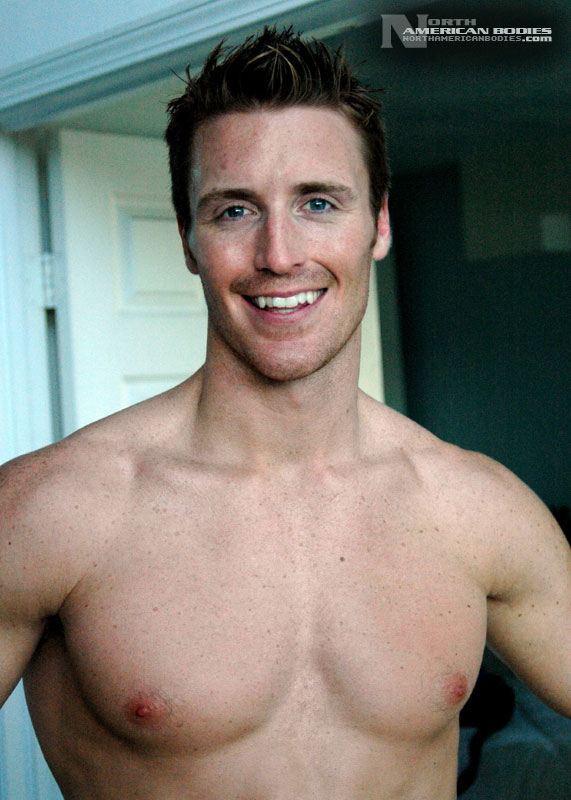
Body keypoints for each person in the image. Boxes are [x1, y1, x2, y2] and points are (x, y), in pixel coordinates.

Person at [0, 26, 569, 800]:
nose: (278, 254)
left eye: (318, 202)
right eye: (234, 210)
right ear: (188, 239)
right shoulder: (51, 509)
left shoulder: (479, 510)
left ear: (379, 224)